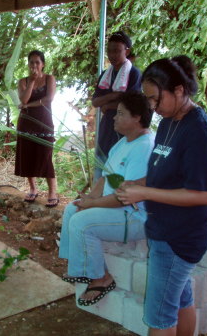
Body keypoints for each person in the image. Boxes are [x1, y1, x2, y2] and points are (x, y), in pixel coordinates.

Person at [116, 56, 207, 335]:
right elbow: (162, 174)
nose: (152, 107)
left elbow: (204, 195)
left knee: (159, 316)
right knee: (180, 298)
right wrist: (134, 185)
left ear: (178, 90)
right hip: (164, 229)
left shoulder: (199, 132)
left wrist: (144, 191)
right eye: (148, 100)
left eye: (155, 99)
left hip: (180, 236)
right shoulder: (168, 123)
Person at [59, 92, 154, 306]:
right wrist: (89, 198)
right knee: (72, 210)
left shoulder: (144, 147)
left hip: (134, 216)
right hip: (118, 208)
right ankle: (78, 266)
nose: (114, 117)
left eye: (120, 113)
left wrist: (92, 204)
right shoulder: (123, 143)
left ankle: (101, 277)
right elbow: (105, 177)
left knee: (81, 222)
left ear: (137, 117)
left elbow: (124, 198)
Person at [92, 31, 142, 178]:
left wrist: (107, 104)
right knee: (101, 166)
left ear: (127, 51)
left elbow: (132, 103)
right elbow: (95, 102)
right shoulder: (105, 75)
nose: (112, 55)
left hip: (124, 130)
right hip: (107, 127)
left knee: (118, 171)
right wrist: (115, 95)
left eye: (117, 51)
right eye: (110, 51)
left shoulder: (134, 73)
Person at [14, 50, 58, 207]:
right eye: (31, 62)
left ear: (43, 64)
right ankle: (33, 188)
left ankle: (53, 191)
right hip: (26, 123)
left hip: (44, 122)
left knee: (46, 156)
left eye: (37, 62)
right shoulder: (23, 81)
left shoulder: (49, 79)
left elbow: (49, 99)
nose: (34, 65)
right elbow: (23, 98)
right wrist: (32, 82)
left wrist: (28, 105)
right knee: (27, 155)